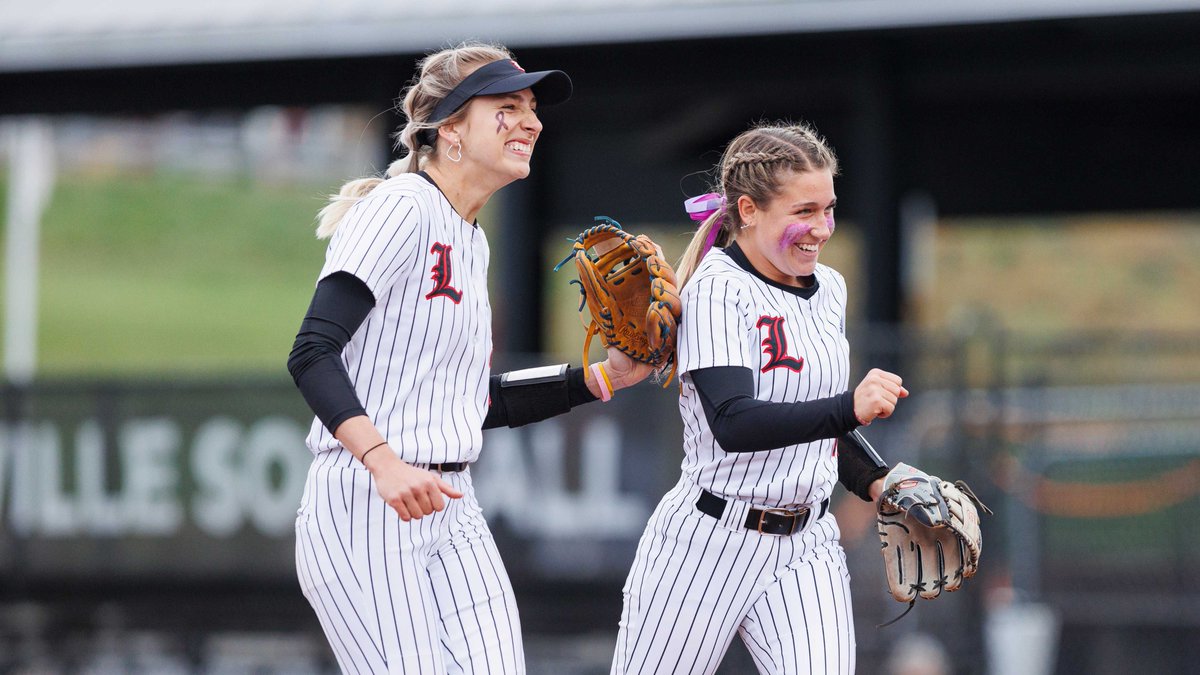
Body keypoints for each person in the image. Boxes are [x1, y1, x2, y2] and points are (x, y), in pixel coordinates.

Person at [286, 41, 653, 674]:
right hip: (368, 503)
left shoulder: (469, 235)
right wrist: (381, 460)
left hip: (452, 499)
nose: (531, 121)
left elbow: (472, 401)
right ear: (450, 128)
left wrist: (596, 378)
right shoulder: (401, 208)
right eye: (506, 107)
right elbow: (312, 351)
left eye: (532, 107)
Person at [610, 121, 908, 675]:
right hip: (708, 541)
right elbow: (735, 423)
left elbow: (815, 425)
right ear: (747, 210)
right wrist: (850, 406)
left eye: (828, 208)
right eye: (803, 212)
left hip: (807, 545)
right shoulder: (719, 287)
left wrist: (878, 479)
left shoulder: (830, 288)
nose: (821, 228)